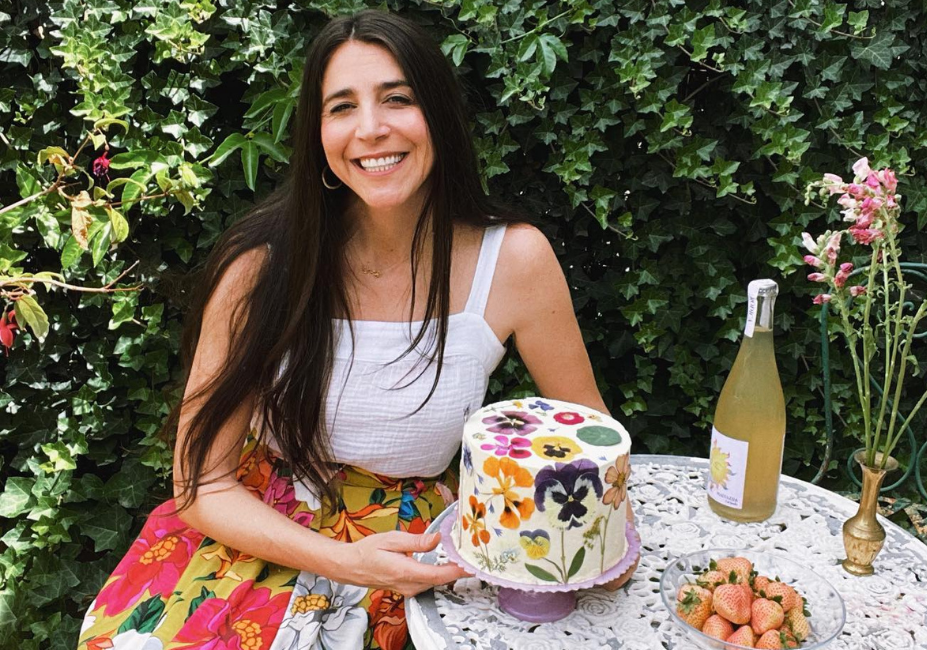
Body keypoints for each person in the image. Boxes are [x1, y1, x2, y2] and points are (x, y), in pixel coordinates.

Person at [77, 10, 634, 650]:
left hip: (413, 551)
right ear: (318, 135)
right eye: (341, 107)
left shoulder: (512, 262)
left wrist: (602, 547)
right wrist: (340, 559)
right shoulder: (261, 265)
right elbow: (201, 484)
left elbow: (593, 441)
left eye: (397, 98)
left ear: (439, 117)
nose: (371, 129)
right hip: (254, 534)